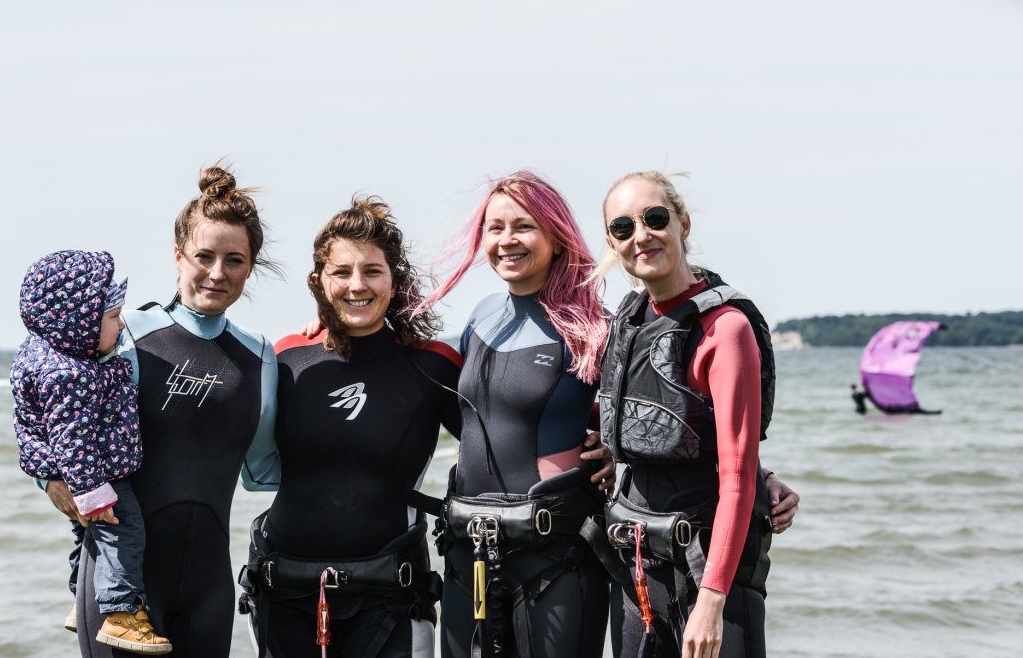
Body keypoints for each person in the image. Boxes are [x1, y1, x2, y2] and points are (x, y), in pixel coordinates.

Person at [41, 165, 280, 658]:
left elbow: (262, 472)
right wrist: (48, 477)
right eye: (204, 256)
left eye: (234, 260)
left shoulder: (260, 357)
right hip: (123, 595)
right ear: (178, 256)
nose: (218, 273)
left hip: (209, 591)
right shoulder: (126, 335)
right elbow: (47, 399)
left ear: (250, 267)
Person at [239, 197, 462, 658]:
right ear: (318, 281)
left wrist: (592, 442)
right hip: (283, 593)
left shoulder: (433, 364)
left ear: (395, 279)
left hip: (391, 600)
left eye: (372, 271)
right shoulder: (286, 358)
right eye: (341, 272)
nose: (356, 285)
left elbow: (502, 437)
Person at [409, 172, 618, 658]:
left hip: (556, 554)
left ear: (555, 234)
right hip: (470, 550)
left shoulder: (592, 325)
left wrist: (615, 445)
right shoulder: (481, 316)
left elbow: (655, 413)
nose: (506, 240)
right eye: (494, 227)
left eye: (523, 226)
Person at [596, 170, 780, 658]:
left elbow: (736, 471)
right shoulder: (628, 323)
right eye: (623, 227)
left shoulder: (725, 329)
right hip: (638, 566)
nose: (642, 235)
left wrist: (712, 600)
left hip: (708, 572)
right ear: (613, 244)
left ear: (684, 224)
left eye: (655, 218)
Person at [12, 250, 172, 654]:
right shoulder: (71, 375)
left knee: (86, 539)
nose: (122, 324)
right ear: (78, 322)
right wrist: (94, 494)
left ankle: (79, 598)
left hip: (78, 472)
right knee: (123, 532)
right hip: (98, 475)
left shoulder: (45, 352)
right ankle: (121, 614)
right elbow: (74, 441)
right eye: (113, 317)